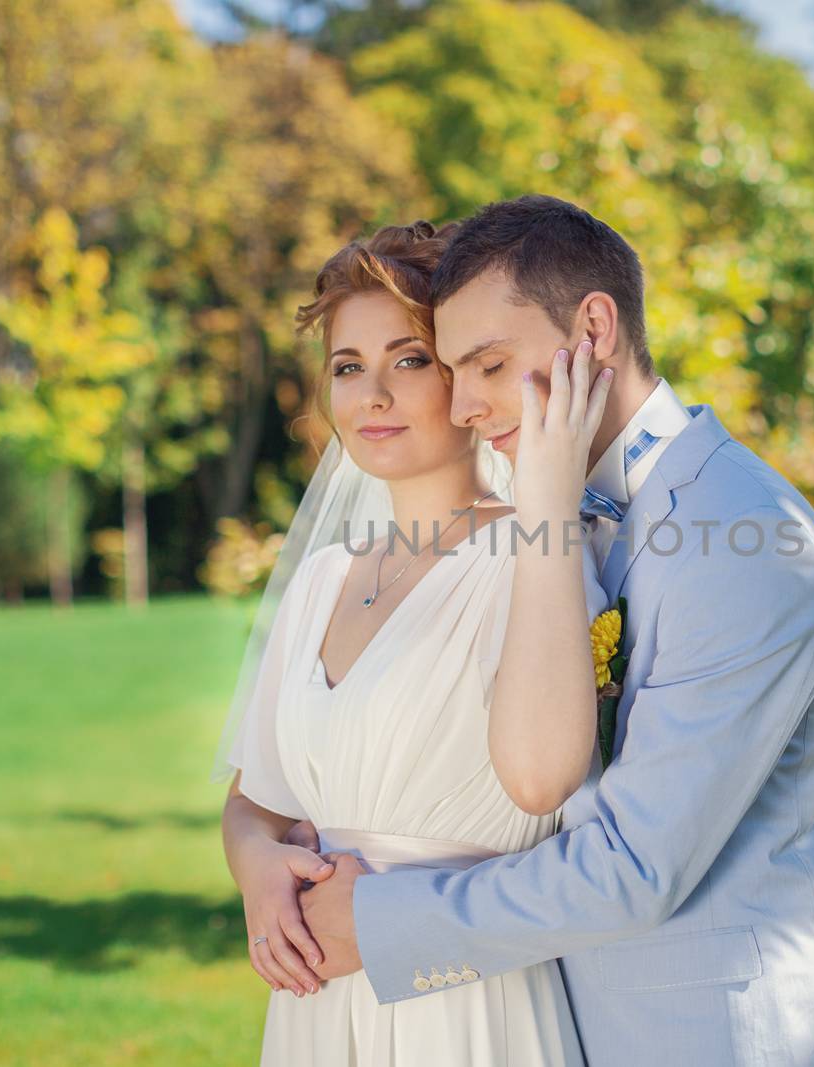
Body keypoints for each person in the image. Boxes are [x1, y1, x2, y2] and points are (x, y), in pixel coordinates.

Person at [292, 195, 814, 1066]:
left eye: (489, 364)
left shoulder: (745, 541)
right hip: (554, 1025)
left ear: (596, 329)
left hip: (724, 1038)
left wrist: (378, 921)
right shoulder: (553, 509)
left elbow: (633, 868)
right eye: (453, 372)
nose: (462, 407)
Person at [213, 218, 613, 1065]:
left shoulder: (539, 555)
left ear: (467, 382)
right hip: (319, 1009)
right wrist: (255, 868)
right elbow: (258, 800)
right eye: (347, 368)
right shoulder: (321, 580)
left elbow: (542, 782)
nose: (373, 396)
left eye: (409, 360)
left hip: (468, 1001)